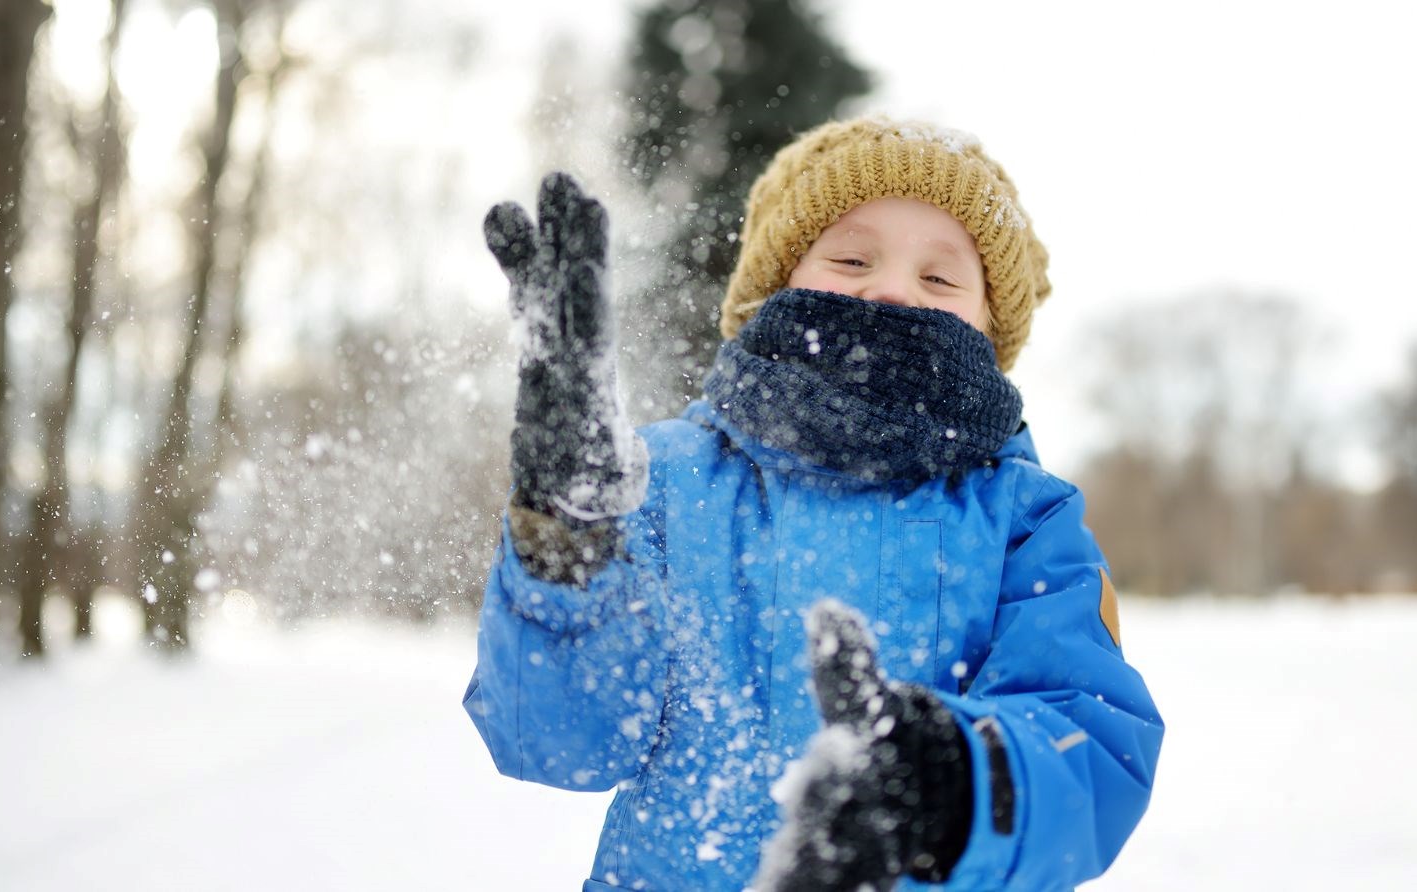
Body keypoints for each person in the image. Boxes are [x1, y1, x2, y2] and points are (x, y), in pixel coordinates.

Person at [463, 116, 1163, 891]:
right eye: (852, 258)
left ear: (993, 330)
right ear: (774, 287)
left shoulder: (1025, 518)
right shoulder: (661, 481)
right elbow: (560, 742)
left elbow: (1089, 748)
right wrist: (568, 543)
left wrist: (941, 780)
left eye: (939, 278)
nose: (893, 288)